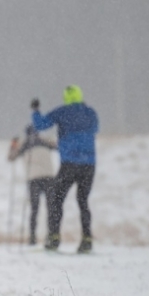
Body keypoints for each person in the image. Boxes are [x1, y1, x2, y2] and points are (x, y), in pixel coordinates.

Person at [31, 85, 99, 253]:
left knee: (56, 199)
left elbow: (41, 125)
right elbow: (95, 129)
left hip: (69, 164)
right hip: (89, 165)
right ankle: (87, 239)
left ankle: (54, 238)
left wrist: (35, 110)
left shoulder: (62, 112)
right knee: (83, 201)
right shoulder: (90, 113)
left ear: (66, 98)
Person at [9, 109, 59, 245]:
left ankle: (32, 238)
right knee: (51, 208)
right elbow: (58, 146)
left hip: (33, 179)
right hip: (49, 177)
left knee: (34, 209)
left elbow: (11, 157)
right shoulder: (44, 141)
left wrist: (13, 146)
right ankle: (52, 236)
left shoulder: (24, 144)